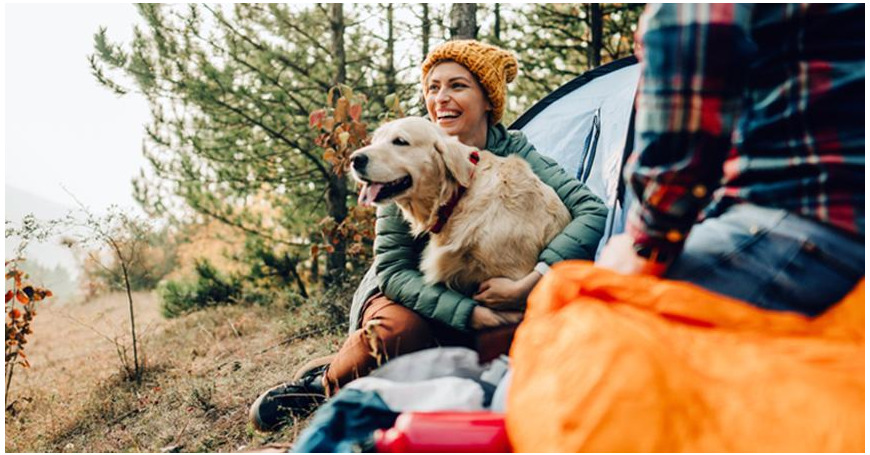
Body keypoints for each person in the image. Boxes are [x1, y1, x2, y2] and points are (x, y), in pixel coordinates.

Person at [249, 39, 609, 431]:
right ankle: (323, 386)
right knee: (400, 334)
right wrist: (469, 314)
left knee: (508, 358)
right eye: (433, 88)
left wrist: (532, 280)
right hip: (414, 297)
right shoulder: (402, 157)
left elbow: (593, 212)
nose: (442, 98)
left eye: (457, 86)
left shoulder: (518, 154)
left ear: (487, 99)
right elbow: (393, 269)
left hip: (495, 298)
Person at [599, 4, 864, 315]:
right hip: (833, 214)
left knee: (590, 312)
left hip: (806, 217)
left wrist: (647, 242)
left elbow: (692, 32)